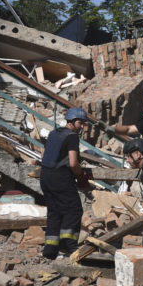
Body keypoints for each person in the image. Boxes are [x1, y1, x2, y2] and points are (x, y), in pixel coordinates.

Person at [40, 107, 90, 259]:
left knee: (54, 212)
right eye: (80, 123)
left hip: (45, 176)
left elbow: (46, 154)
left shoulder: (53, 133)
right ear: (72, 121)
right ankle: (69, 245)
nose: (82, 126)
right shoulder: (72, 137)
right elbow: (74, 163)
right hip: (60, 178)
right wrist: (81, 174)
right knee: (73, 210)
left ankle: (50, 250)